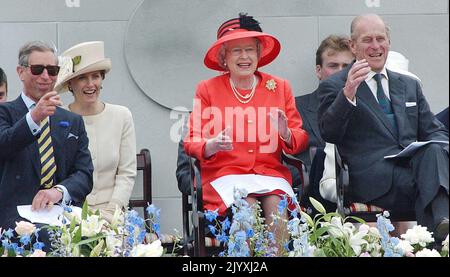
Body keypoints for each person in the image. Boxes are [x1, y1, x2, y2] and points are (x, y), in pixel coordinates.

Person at [317, 14, 449, 242]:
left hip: (412, 170)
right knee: (434, 183)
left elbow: (434, 130)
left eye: (381, 39)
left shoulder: (409, 84)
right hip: (371, 178)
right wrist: (348, 94)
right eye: (367, 40)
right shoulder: (336, 85)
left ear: (389, 43)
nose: (375, 46)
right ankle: (439, 241)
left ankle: (440, 228)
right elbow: (329, 133)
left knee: (435, 150)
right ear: (353, 45)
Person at [184, 13, 308, 253]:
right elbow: (192, 141)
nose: (245, 57)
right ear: (224, 57)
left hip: (269, 175)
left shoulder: (280, 87)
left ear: (259, 54)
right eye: (236, 50)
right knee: (247, 208)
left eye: (250, 50)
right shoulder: (207, 89)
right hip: (226, 175)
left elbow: (300, 139)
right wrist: (211, 144)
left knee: (277, 207)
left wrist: (285, 133)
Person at [0, 41, 93, 229]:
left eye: (52, 70)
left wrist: (59, 191)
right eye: (37, 69)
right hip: (15, 222)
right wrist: (34, 117)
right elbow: (4, 145)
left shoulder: (72, 121)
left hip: (62, 218)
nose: (45, 76)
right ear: (20, 72)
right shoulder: (5, 112)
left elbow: (84, 173)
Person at [54, 41, 137, 222]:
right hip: (68, 214)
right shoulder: (59, 118)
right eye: (82, 77)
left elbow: (126, 172)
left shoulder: (122, 116)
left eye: (96, 76)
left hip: (114, 214)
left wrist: (112, 212)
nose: (90, 84)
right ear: (70, 83)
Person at [295, 35, 353, 171]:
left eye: (346, 66)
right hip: (312, 187)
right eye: (333, 66)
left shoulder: (369, 107)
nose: (340, 72)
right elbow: (288, 161)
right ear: (318, 71)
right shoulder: (295, 107)